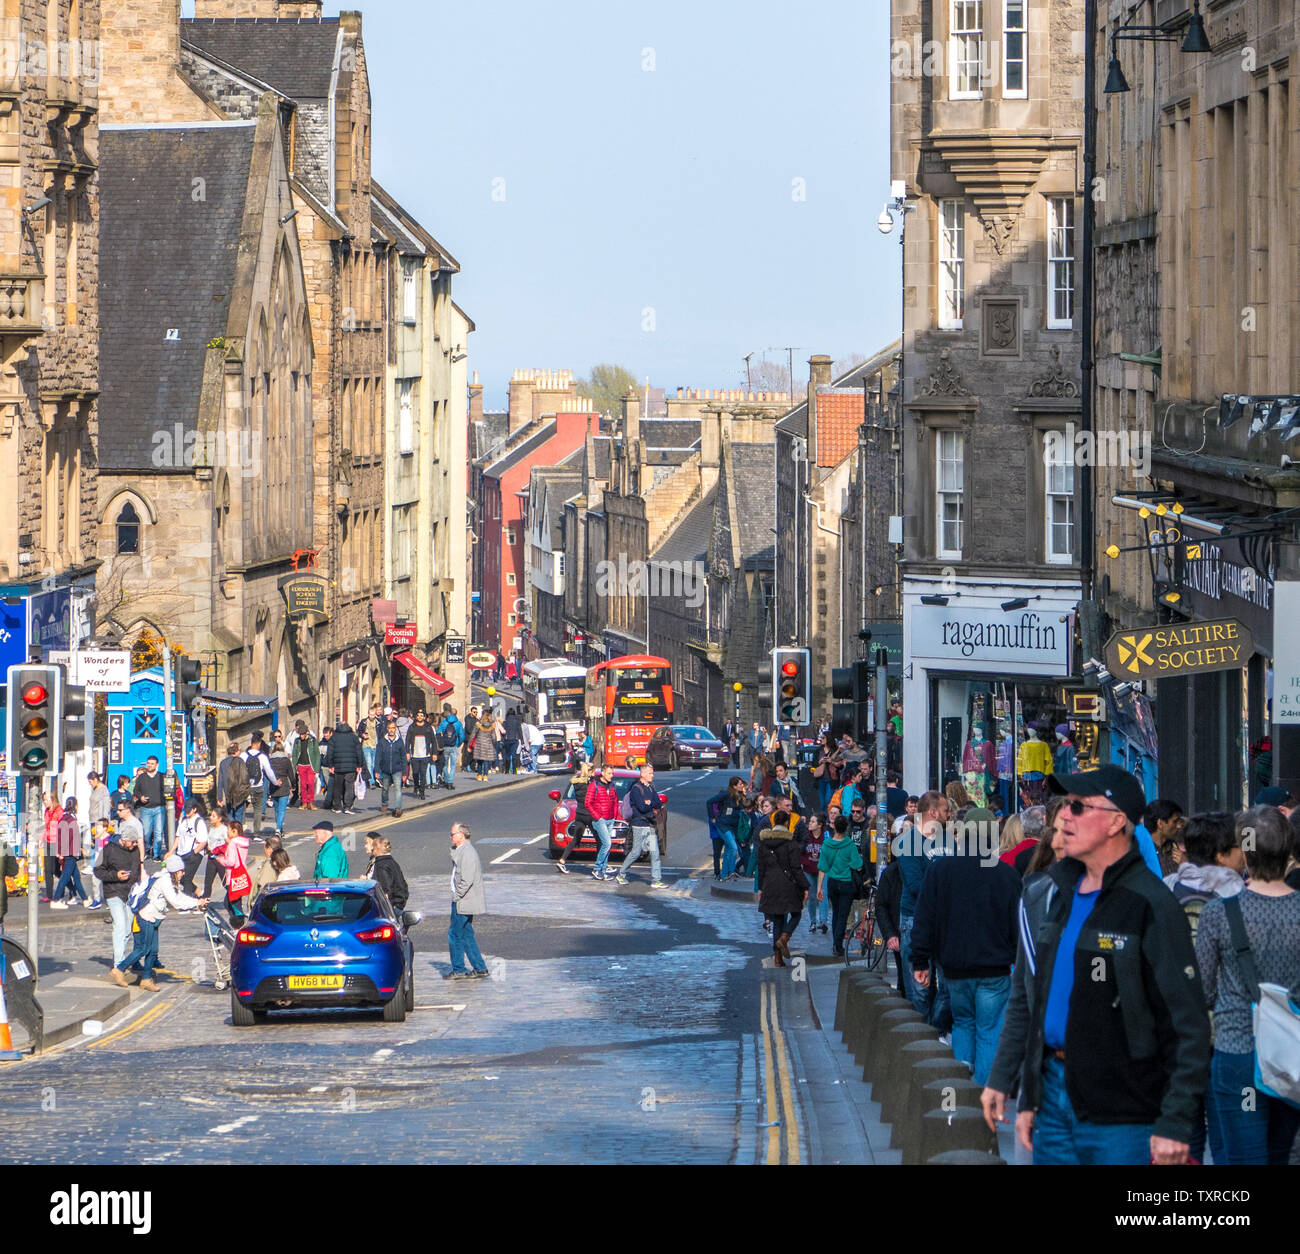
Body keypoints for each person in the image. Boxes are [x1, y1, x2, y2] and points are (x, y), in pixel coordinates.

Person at [981, 765, 1211, 1166]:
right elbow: (1027, 997)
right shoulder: (1054, 892)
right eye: (1065, 806)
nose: (1063, 817)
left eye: (1078, 807)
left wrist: (1174, 1122)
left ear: (1116, 822)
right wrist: (1008, 1082)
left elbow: (1187, 1025)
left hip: (1124, 1111)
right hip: (1053, 1097)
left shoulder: (1151, 904)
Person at [1195, 805, 1300, 1164]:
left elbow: (1203, 992)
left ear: (1245, 852)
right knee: (1281, 1155)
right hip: (1292, 1058)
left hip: (1239, 1054)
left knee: (1244, 1158)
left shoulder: (1219, 914)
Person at [909, 806, 1020, 1086]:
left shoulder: (941, 870)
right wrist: (1017, 963)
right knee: (989, 1029)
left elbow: (924, 918)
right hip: (995, 969)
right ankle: (983, 1094)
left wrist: (920, 961)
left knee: (963, 1023)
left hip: (955, 966)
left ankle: (959, 1091)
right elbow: (1019, 924)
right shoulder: (1006, 875)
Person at [109, 854, 208, 991]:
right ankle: (119, 969)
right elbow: (176, 901)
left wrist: (196, 903)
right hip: (146, 916)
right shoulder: (164, 881)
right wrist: (197, 902)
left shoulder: (168, 880)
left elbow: (178, 896)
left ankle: (146, 980)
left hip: (154, 917)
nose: (183, 874)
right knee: (144, 948)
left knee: (153, 950)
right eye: (181, 871)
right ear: (175, 871)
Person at [757, 808, 809, 967]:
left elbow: (761, 868)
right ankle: (784, 938)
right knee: (796, 913)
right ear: (787, 823)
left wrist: (760, 888)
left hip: (770, 884)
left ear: (773, 823)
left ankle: (777, 958)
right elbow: (795, 868)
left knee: (778, 919)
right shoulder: (790, 843)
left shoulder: (763, 844)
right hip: (788, 884)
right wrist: (805, 886)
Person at [96, 821, 143, 970]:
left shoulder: (135, 851)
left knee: (127, 929)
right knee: (120, 926)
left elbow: (138, 869)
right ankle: (119, 964)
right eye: (132, 842)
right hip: (113, 892)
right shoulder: (109, 849)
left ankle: (122, 959)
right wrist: (115, 875)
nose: (135, 844)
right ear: (124, 840)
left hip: (130, 893)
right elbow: (98, 870)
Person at [446, 822, 489, 979]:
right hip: (464, 899)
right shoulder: (462, 850)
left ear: (461, 835)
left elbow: (467, 879)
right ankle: (480, 968)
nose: (450, 837)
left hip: (463, 900)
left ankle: (458, 969)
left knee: (455, 934)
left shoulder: (468, 853)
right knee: (466, 934)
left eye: (452, 834)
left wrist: (457, 895)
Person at [614, 763, 666, 888]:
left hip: (650, 824)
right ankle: (621, 874)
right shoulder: (636, 789)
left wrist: (649, 802)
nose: (652, 775)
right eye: (649, 773)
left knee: (655, 853)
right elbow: (642, 808)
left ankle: (656, 880)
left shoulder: (651, 788)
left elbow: (658, 803)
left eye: (652, 773)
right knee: (636, 852)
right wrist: (649, 804)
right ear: (642, 774)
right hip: (639, 825)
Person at [817, 815, 863, 955]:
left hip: (832, 882)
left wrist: (819, 887)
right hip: (846, 882)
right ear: (846, 828)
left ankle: (835, 944)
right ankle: (838, 945)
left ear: (834, 827)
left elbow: (822, 867)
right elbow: (858, 865)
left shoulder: (826, 844)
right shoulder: (849, 844)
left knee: (836, 913)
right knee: (843, 914)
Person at [50, 798, 90, 908]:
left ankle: (84, 899)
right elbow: (71, 838)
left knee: (76, 877)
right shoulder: (72, 820)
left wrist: (59, 852)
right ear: (75, 806)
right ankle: (55, 899)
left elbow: (59, 837)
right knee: (65, 876)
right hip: (71, 852)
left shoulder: (63, 818)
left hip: (66, 852)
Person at [706, 777, 747, 881]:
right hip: (723, 825)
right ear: (734, 786)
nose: (742, 786)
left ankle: (724, 875)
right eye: (740, 784)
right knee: (733, 848)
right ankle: (731, 872)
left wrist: (744, 795)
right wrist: (712, 817)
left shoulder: (740, 796)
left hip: (732, 826)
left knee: (729, 849)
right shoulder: (726, 794)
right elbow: (709, 802)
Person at [215, 819, 251, 924]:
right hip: (241, 873)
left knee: (231, 902)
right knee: (234, 901)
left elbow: (231, 862)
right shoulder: (243, 843)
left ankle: (238, 923)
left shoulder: (232, 844)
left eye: (229, 830)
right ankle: (237, 921)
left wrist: (220, 859)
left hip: (233, 876)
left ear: (234, 831)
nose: (227, 833)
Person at [169, 799, 208, 895]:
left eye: (189, 810)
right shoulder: (183, 820)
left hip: (194, 854)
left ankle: (187, 902)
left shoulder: (199, 822)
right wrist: (171, 851)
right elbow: (178, 837)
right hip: (182, 853)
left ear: (194, 809)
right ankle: (199, 893)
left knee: (187, 879)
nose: (186, 812)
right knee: (180, 878)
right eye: (185, 809)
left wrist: (194, 852)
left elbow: (203, 842)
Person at [324, 721, 365, 814]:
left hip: (338, 766)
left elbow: (330, 753)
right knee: (349, 786)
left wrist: (330, 765)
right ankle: (348, 806)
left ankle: (337, 807)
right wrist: (359, 764)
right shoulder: (354, 737)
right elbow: (359, 752)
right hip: (351, 766)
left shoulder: (334, 738)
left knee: (337, 787)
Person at [132, 756, 168, 860]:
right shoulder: (142, 777)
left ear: (157, 765)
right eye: (148, 763)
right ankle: (147, 848)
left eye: (152, 763)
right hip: (146, 809)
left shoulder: (162, 776)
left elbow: (168, 790)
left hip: (159, 808)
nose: (149, 765)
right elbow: (136, 790)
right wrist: (141, 797)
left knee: (158, 832)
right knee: (146, 832)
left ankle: (156, 854)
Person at [1141, 798, 1186, 877]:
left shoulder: (1175, 849)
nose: (1179, 826)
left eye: (1180, 821)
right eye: (1175, 821)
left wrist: (1185, 865)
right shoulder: (1142, 852)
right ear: (1160, 823)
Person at [369, 836, 409, 910]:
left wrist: (387, 907)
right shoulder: (392, 862)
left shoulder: (381, 865)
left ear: (377, 849)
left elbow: (385, 889)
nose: (372, 851)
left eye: (373, 849)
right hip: (398, 904)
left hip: (391, 907)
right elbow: (404, 885)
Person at [290, 720, 322, 811]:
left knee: (311, 784)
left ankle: (311, 802)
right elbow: (295, 754)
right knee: (303, 785)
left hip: (310, 765)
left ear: (307, 732)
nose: (301, 736)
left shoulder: (312, 741)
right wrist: (295, 766)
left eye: (302, 734)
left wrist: (316, 767)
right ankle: (304, 802)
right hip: (301, 765)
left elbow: (316, 754)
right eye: (300, 734)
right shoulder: (297, 741)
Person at [246, 834, 283, 908]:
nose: (264, 849)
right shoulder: (277, 862)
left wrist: (253, 904)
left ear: (269, 849)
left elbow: (264, 889)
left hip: (264, 908)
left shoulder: (270, 866)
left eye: (265, 847)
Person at [217, 742, 250, 823]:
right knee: (239, 815)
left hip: (228, 794)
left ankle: (232, 831)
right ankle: (237, 832)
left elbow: (220, 782)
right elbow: (245, 777)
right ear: (236, 751)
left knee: (229, 815)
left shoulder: (223, 763)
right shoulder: (241, 761)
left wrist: (220, 797)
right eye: (240, 750)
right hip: (239, 794)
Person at [267, 735, 293, 835]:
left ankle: (280, 828)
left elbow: (268, 773)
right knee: (282, 810)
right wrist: (294, 784)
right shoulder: (286, 760)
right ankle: (278, 828)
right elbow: (291, 774)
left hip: (273, 786)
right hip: (284, 785)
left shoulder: (270, 761)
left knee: (277, 810)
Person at [405, 709, 434, 800]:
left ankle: (422, 792)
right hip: (415, 754)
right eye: (418, 715)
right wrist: (407, 752)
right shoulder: (412, 727)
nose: (420, 717)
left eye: (422, 715)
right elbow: (407, 740)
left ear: (424, 717)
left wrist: (434, 753)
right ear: (416, 717)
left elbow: (433, 741)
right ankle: (416, 786)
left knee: (423, 773)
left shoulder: (428, 727)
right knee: (415, 773)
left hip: (425, 754)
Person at [437, 704, 465, 789]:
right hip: (454, 746)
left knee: (445, 764)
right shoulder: (458, 723)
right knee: (452, 765)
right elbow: (462, 736)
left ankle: (446, 780)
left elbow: (438, 733)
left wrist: (440, 743)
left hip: (445, 746)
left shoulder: (443, 722)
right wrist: (459, 743)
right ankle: (450, 782)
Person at [473, 711, 500, 781]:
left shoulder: (479, 724)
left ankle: (479, 775)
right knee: (486, 760)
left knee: (479, 760)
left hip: (479, 744)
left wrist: (470, 743)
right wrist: (493, 743)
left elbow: (474, 734)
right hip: (488, 744)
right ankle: (485, 775)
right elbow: (494, 737)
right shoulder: (491, 726)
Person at [501, 706, 523, 774]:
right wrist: (522, 740)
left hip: (507, 739)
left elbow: (503, 731)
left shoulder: (505, 722)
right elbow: (520, 731)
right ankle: (515, 770)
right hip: (515, 739)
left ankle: (507, 770)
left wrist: (502, 739)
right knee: (514, 755)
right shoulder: (517, 721)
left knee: (507, 755)